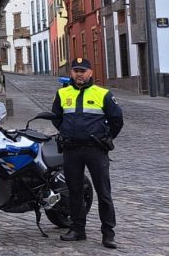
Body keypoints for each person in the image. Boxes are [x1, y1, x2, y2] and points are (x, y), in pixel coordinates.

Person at [52, 57, 124, 249]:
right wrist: (68, 132)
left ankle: (108, 234)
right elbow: (56, 118)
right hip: (71, 150)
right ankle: (77, 230)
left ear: (90, 73)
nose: (79, 74)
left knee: (103, 193)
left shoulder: (103, 94)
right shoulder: (62, 93)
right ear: (71, 73)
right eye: (76, 70)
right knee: (75, 191)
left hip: (95, 150)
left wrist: (107, 138)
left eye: (83, 71)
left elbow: (117, 119)